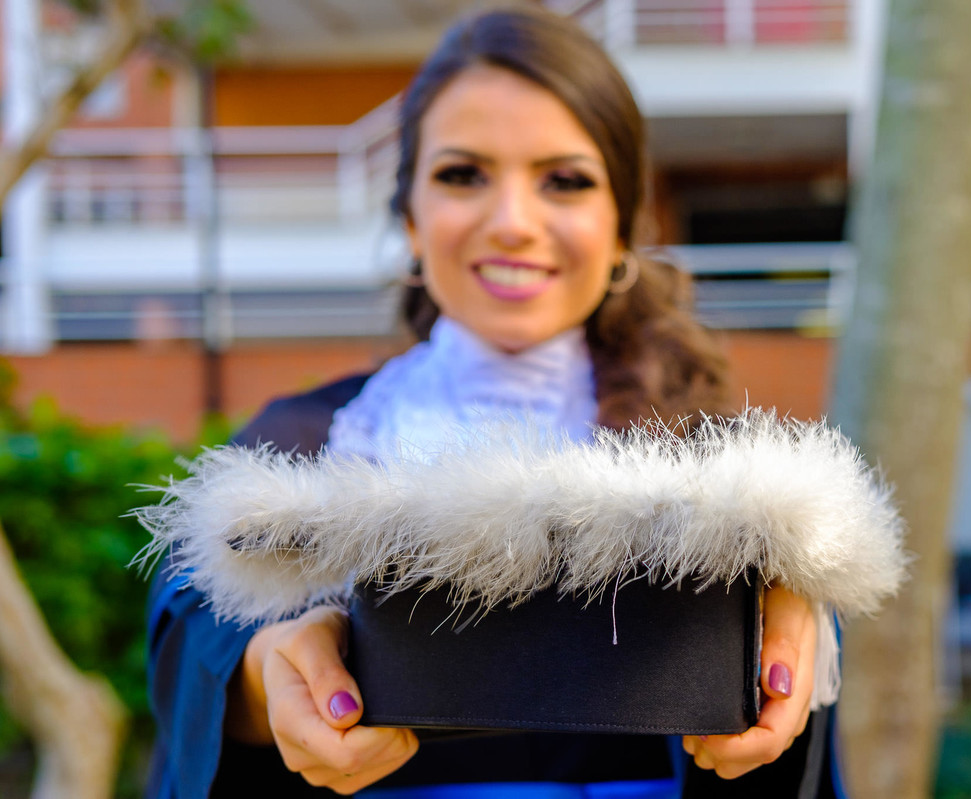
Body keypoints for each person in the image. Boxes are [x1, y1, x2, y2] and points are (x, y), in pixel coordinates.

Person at [145, 7, 844, 798]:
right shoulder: (303, 444)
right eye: (463, 175)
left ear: (622, 227)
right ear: (410, 219)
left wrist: (790, 631)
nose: (512, 223)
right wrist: (265, 670)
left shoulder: (722, 467)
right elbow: (190, 634)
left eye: (565, 181)